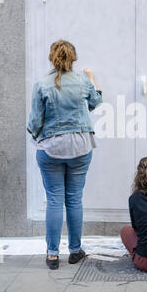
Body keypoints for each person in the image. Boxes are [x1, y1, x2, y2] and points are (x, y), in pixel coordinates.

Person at [27, 40, 102, 270]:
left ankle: (52, 254)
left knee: (54, 201)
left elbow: (35, 122)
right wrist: (91, 78)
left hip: (51, 149)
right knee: (74, 199)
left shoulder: (41, 84)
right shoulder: (81, 80)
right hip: (80, 147)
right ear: (74, 58)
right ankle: (75, 250)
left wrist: (39, 138)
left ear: (52, 58)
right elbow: (95, 101)